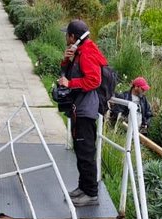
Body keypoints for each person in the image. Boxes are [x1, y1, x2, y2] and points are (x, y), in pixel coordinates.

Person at [57, 19, 107, 207]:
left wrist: (70, 84)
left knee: (86, 153)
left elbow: (94, 80)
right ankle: (82, 187)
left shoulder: (87, 53)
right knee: (80, 151)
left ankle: (91, 194)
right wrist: (66, 59)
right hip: (79, 109)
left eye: (67, 34)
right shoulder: (79, 51)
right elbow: (68, 71)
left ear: (73, 36)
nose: (65, 37)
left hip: (86, 111)